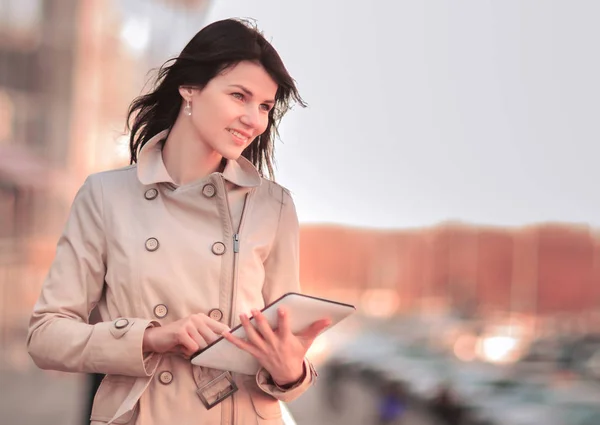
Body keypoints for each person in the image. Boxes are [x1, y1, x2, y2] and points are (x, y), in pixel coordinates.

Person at [26, 18, 330, 425]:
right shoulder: (106, 196)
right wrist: (151, 337)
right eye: (239, 96)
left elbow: (283, 348)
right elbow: (46, 336)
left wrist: (290, 370)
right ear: (189, 87)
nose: (254, 120)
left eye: (264, 106)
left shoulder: (273, 207)